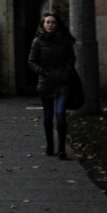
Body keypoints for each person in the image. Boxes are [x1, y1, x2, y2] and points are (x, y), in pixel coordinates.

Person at [27, 12, 76, 159]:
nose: (50, 25)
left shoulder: (65, 41)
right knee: (48, 116)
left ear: (57, 24)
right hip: (46, 83)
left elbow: (72, 58)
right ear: (43, 24)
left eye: (53, 22)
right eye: (47, 22)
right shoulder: (38, 41)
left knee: (60, 114)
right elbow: (31, 61)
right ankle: (50, 146)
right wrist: (43, 72)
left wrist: (67, 70)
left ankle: (61, 149)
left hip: (63, 82)